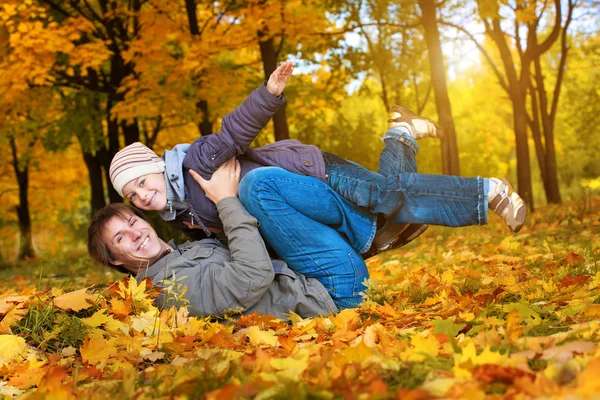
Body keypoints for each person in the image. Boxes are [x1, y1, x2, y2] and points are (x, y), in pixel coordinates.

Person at [108, 61, 526, 258]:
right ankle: (401, 132)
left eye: (142, 182)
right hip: (298, 203)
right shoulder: (183, 219)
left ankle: (487, 191)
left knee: (383, 195)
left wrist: (268, 96)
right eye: (132, 195)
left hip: (312, 170)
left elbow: (233, 132)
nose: (141, 195)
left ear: (158, 169)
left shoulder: (195, 162)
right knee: (386, 202)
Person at [88, 159, 339, 319]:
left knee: (267, 182)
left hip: (311, 279)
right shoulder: (165, 289)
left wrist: (215, 228)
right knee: (261, 184)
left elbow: (249, 250)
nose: (136, 234)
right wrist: (225, 201)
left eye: (133, 222)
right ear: (115, 259)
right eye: (121, 238)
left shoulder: (182, 253)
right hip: (322, 299)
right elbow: (252, 276)